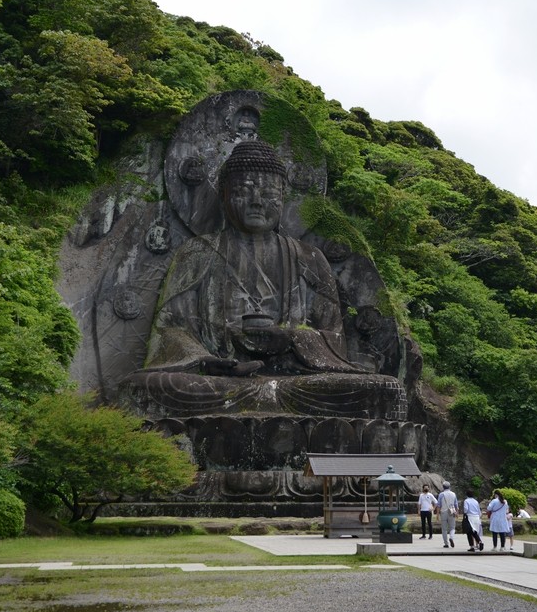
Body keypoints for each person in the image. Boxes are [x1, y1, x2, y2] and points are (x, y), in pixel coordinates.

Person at [131, 140, 406, 420]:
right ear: (224, 197)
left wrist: (292, 339)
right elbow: (169, 330)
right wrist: (207, 360)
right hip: (222, 383)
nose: (257, 201)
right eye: (242, 191)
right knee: (152, 387)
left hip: (294, 381)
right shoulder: (197, 252)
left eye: (269, 193)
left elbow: (334, 338)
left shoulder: (310, 257)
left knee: (384, 389)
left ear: (284, 199)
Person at [436, 480, 458, 549]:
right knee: (452, 527)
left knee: (444, 529)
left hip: (443, 512)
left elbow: (439, 505)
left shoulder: (441, 494)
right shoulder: (453, 494)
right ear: (449, 487)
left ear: (443, 487)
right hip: (451, 511)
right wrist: (457, 512)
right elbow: (456, 504)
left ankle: (446, 543)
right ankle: (451, 537)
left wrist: (437, 514)